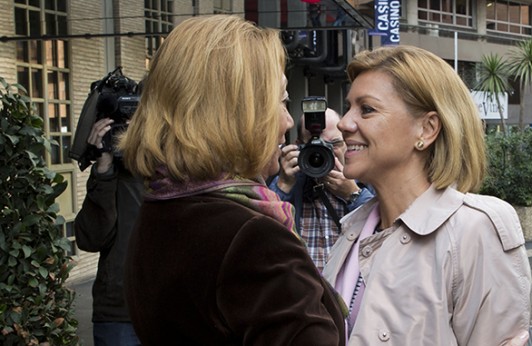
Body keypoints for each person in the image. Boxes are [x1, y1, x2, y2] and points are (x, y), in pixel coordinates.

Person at [117, 15, 345, 345]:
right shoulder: (254, 239)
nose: (285, 122)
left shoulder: (159, 209)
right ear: (236, 115)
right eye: (281, 102)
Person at [323, 45, 532, 345]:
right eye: (349, 107)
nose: (344, 123)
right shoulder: (354, 226)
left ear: (427, 129)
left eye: (366, 109)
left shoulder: (475, 231)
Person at [269, 108, 374, 270]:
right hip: (303, 290)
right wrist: (283, 185)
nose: (324, 152)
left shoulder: (366, 180)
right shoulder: (289, 182)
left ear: (347, 143)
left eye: (334, 144)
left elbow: (383, 230)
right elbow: (264, 231)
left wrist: (353, 194)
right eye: (314, 145)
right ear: (298, 147)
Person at [74, 117, 143, 346]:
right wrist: (103, 167)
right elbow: (90, 239)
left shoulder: (190, 169)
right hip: (119, 314)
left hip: (175, 313)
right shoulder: (114, 172)